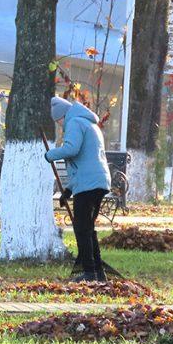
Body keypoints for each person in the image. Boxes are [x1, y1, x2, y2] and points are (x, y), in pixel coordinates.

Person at [44, 96, 112, 282]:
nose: (60, 126)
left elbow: (71, 149)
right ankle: (98, 272)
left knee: (82, 228)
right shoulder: (88, 123)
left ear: (62, 116)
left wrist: (50, 154)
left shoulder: (74, 122)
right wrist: (68, 190)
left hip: (89, 184)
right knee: (87, 227)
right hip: (97, 182)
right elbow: (82, 163)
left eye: (58, 122)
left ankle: (89, 272)